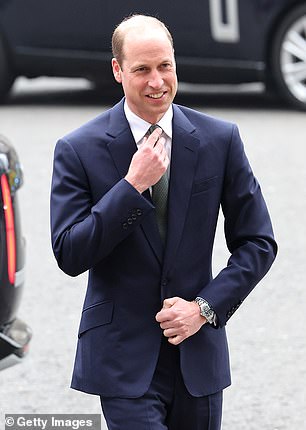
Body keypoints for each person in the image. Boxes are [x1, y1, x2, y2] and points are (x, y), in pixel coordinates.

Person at [50, 14, 277, 430]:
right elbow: (69, 252)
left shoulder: (219, 139)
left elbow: (258, 242)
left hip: (198, 353)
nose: (157, 82)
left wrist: (204, 308)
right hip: (122, 360)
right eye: (142, 70)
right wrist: (132, 186)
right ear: (118, 71)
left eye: (165, 66)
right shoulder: (77, 149)